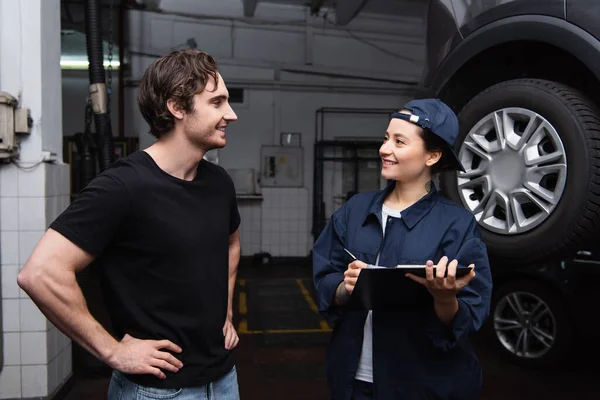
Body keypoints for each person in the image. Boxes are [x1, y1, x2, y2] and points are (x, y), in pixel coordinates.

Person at [18, 49, 242, 399]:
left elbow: (230, 243)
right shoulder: (123, 187)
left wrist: (225, 311)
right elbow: (40, 274)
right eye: (217, 102)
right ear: (177, 107)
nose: (231, 114)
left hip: (224, 380)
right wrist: (112, 351)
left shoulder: (219, 183)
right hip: (158, 392)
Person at [312, 99, 493, 400]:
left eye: (399, 141)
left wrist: (445, 299)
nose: (384, 149)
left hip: (423, 386)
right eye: (386, 138)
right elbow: (323, 276)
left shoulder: (457, 225)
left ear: (432, 155)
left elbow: (471, 311)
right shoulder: (355, 211)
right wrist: (345, 287)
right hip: (354, 384)